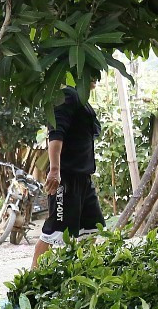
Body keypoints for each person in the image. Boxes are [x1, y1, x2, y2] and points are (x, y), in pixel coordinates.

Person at [34, 84, 105, 266]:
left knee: (93, 228)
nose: (95, 79)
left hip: (83, 178)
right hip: (65, 179)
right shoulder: (66, 95)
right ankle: (30, 283)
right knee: (54, 232)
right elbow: (56, 134)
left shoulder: (80, 98)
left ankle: (82, 272)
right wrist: (55, 170)